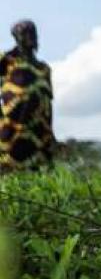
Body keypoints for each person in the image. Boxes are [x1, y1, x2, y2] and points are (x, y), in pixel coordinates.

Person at [0, 20, 56, 171]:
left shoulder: (44, 69)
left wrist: (51, 135)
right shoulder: (6, 61)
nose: (30, 37)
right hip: (12, 133)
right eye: (25, 33)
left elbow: (48, 105)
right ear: (16, 37)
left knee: (39, 178)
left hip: (40, 135)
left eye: (33, 33)